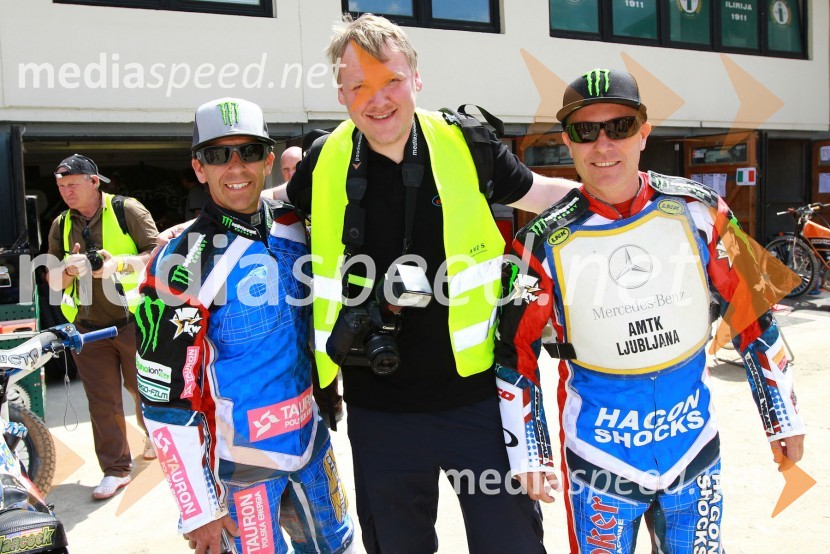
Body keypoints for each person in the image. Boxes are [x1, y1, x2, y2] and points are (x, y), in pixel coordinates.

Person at [268, 14, 575, 553]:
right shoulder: (323, 160)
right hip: (377, 404)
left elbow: (541, 194)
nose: (377, 99)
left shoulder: (468, 144)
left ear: (416, 77)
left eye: (391, 80)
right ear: (341, 93)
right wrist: (181, 233)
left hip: (478, 398)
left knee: (511, 542)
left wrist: (629, 194)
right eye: (358, 85)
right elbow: (273, 210)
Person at [493, 68, 806, 553]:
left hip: (693, 448)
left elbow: (754, 313)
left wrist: (781, 417)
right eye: (585, 131)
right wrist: (528, 452)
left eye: (618, 127)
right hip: (600, 462)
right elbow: (515, 354)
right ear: (567, 142)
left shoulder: (702, 209)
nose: (603, 146)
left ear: (643, 133)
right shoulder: (535, 242)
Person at [137, 97, 354, 554]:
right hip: (241, 469)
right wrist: (198, 509)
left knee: (341, 546)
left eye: (249, 152)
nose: (235, 166)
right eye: (218, 154)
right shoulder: (179, 263)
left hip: (312, 443)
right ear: (199, 168)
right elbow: (162, 399)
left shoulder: (296, 225)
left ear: (269, 160)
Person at [46, 153, 159, 500]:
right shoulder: (60, 224)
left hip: (133, 323)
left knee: (144, 390)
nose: (66, 192)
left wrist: (121, 266)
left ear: (94, 182)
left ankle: (155, 437)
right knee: (102, 401)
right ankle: (116, 469)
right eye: (61, 187)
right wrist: (65, 271)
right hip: (88, 328)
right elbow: (50, 280)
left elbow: (159, 254)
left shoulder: (129, 210)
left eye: (73, 185)